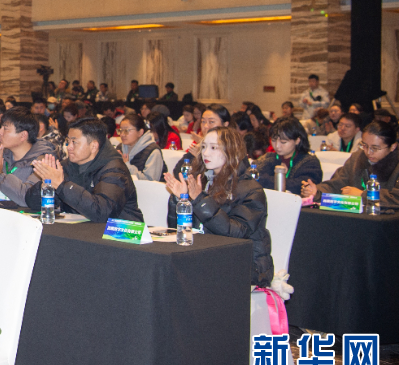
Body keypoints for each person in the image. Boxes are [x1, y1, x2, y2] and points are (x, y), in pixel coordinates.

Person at [164, 127, 274, 287]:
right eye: (203, 147)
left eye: (214, 147)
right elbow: (178, 230)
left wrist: (200, 200)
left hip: (244, 266)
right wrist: (181, 199)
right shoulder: (201, 181)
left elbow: (236, 233)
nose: (205, 153)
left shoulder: (251, 189)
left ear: (232, 151)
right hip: (206, 257)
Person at [28, 117, 143, 222]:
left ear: (93, 146)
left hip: (123, 232)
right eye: (68, 141)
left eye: (74, 142)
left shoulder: (115, 170)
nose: (69, 147)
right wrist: (46, 184)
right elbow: (32, 203)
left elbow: (102, 212)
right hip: (83, 230)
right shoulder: (66, 166)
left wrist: (61, 185)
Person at [0, 107, 57, 206]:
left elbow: (28, 199)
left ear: (23, 135)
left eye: (5, 128)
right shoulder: (1, 157)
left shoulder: (42, 162)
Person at [302, 121, 399, 206]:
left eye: (375, 148)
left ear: (393, 147)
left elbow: (395, 198)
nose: (368, 152)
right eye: (364, 145)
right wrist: (317, 191)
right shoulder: (357, 158)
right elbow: (336, 185)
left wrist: (362, 195)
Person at [254, 117, 322, 195]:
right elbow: (251, 175)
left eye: (283, 142)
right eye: (273, 140)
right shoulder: (268, 158)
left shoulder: (309, 162)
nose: (277, 146)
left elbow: (299, 186)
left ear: (297, 140)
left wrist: (262, 179)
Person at [116, 114, 163, 181]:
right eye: (120, 130)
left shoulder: (153, 151)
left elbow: (151, 182)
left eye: (126, 131)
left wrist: (127, 166)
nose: (122, 134)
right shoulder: (120, 148)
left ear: (140, 132)